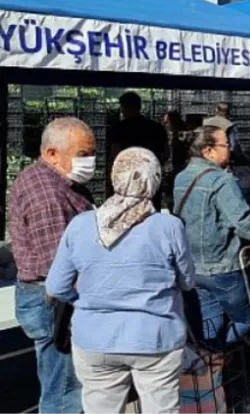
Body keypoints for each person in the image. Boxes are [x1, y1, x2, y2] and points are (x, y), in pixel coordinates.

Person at [46, 148, 194, 414]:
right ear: (155, 179)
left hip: (94, 339)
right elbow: (187, 282)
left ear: (115, 177)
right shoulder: (168, 227)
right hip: (156, 338)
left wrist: (88, 300)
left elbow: (56, 286)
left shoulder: (80, 225)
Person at [9, 117, 96, 414]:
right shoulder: (47, 193)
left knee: (65, 381)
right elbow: (57, 263)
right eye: (83, 154)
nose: (91, 161)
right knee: (64, 389)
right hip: (54, 300)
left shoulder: (60, 181)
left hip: (52, 296)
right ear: (52, 154)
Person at [174, 126, 250, 347]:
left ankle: (213, 365)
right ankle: (218, 355)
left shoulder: (182, 177)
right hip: (222, 267)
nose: (230, 149)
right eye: (226, 145)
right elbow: (244, 225)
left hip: (192, 266)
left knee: (209, 324)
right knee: (247, 319)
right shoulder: (222, 182)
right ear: (209, 151)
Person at [110, 92, 168, 207]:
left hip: (126, 181)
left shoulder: (118, 129)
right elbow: (166, 153)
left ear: (123, 107)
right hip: (151, 179)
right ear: (140, 106)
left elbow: (115, 155)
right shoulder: (156, 127)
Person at [163, 109, 190, 211]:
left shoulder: (180, 134)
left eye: (167, 121)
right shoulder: (177, 133)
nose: (166, 124)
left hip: (181, 166)